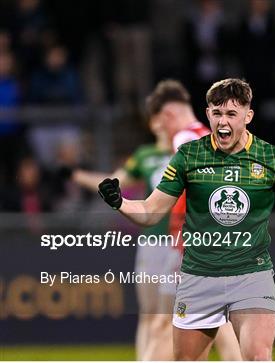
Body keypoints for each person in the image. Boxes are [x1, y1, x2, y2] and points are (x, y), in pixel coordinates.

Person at [97, 78, 275, 360]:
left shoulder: (271, 159)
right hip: (199, 276)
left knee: (257, 356)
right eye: (217, 114)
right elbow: (151, 211)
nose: (223, 122)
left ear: (248, 116)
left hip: (251, 275)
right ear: (208, 115)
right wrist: (121, 203)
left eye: (231, 114)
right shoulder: (188, 156)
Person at [68, 79, 241, 360]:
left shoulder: (185, 139)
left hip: (192, 246)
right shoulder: (212, 138)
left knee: (170, 323)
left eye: (160, 123)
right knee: (212, 323)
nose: (159, 131)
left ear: (166, 116)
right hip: (205, 243)